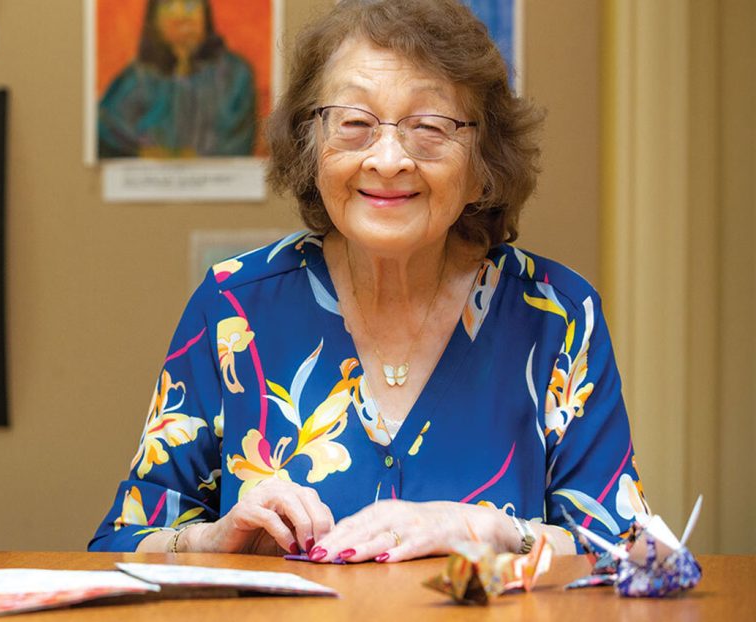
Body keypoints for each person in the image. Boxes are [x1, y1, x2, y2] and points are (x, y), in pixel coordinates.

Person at [89, 0, 646, 563]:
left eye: (429, 127)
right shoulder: (233, 306)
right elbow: (120, 544)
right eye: (355, 123)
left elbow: (633, 553)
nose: (387, 159)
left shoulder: (557, 316)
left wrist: (497, 532)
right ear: (311, 145)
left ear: (484, 163)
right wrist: (209, 539)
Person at [97, 0, 257, 159]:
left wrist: (194, 159)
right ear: (154, 19)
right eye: (169, 7)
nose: (181, 17)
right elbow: (104, 131)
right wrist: (143, 153)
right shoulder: (137, 77)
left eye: (190, 6)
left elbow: (239, 143)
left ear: (205, 15)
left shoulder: (235, 75)